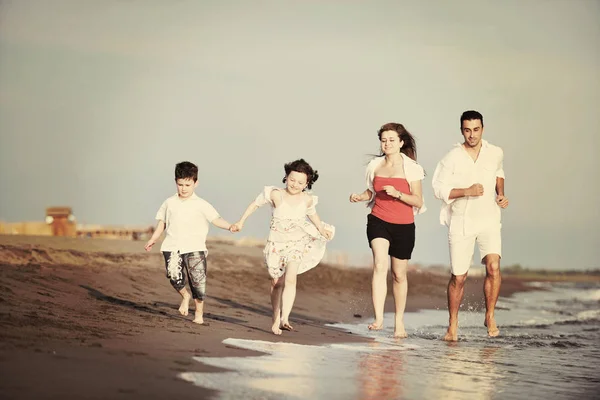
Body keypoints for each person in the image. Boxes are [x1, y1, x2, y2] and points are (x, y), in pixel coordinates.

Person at [230, 159, 334, 335]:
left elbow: (313, 216)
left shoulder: (307, 200)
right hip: (276, 244)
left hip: (297, 243)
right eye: (292, 180)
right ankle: (275, 318)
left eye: (301, 182)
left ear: (307, 184)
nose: (295, 185)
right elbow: (255, 204)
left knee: (291, 278)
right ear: (286, 177)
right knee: (276, 282)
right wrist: (241, 221)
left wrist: (322, 229)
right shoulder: (275, 194)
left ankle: (285, 318)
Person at [432, 110, 509, 341]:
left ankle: (490, 315)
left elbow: (498, 173)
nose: (472, 135)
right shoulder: (451, 157)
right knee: (459, 277)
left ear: (482, 129)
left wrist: (501, 195)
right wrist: (467, 191)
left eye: (476, 130)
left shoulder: (495, 152)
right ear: (461, 130)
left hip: (489, 219)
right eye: (467, 130)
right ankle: (452, 325)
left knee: (493, 267)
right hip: (461, 221)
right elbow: (438, 189)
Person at [349, 123, 426, 338]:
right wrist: (360, 196)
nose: (387, 144)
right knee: (380, 264)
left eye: (392, 140)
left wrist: (398, 194)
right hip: (378, 220)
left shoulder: (412, 168)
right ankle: (379, 318)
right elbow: (371, 192)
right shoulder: (375, 165)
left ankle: (399, 322)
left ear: (401, 143)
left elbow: (418, 201)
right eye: (384, 140)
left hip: (404, 225)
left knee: (399, 275)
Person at [144, 161, 233, 325]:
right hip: (172, 246)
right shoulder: (169, 203)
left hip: (195, 247)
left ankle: (199, 313)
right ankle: (185, 295)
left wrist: (230, 226)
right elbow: (162, 223)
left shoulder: (202, 204)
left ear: (195, 183)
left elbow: (216, 219)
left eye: (187, 184)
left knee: (198, 281)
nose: (183, 188)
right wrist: (153, 239)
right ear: (175, 182)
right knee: (174, 277)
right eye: (180, 184)